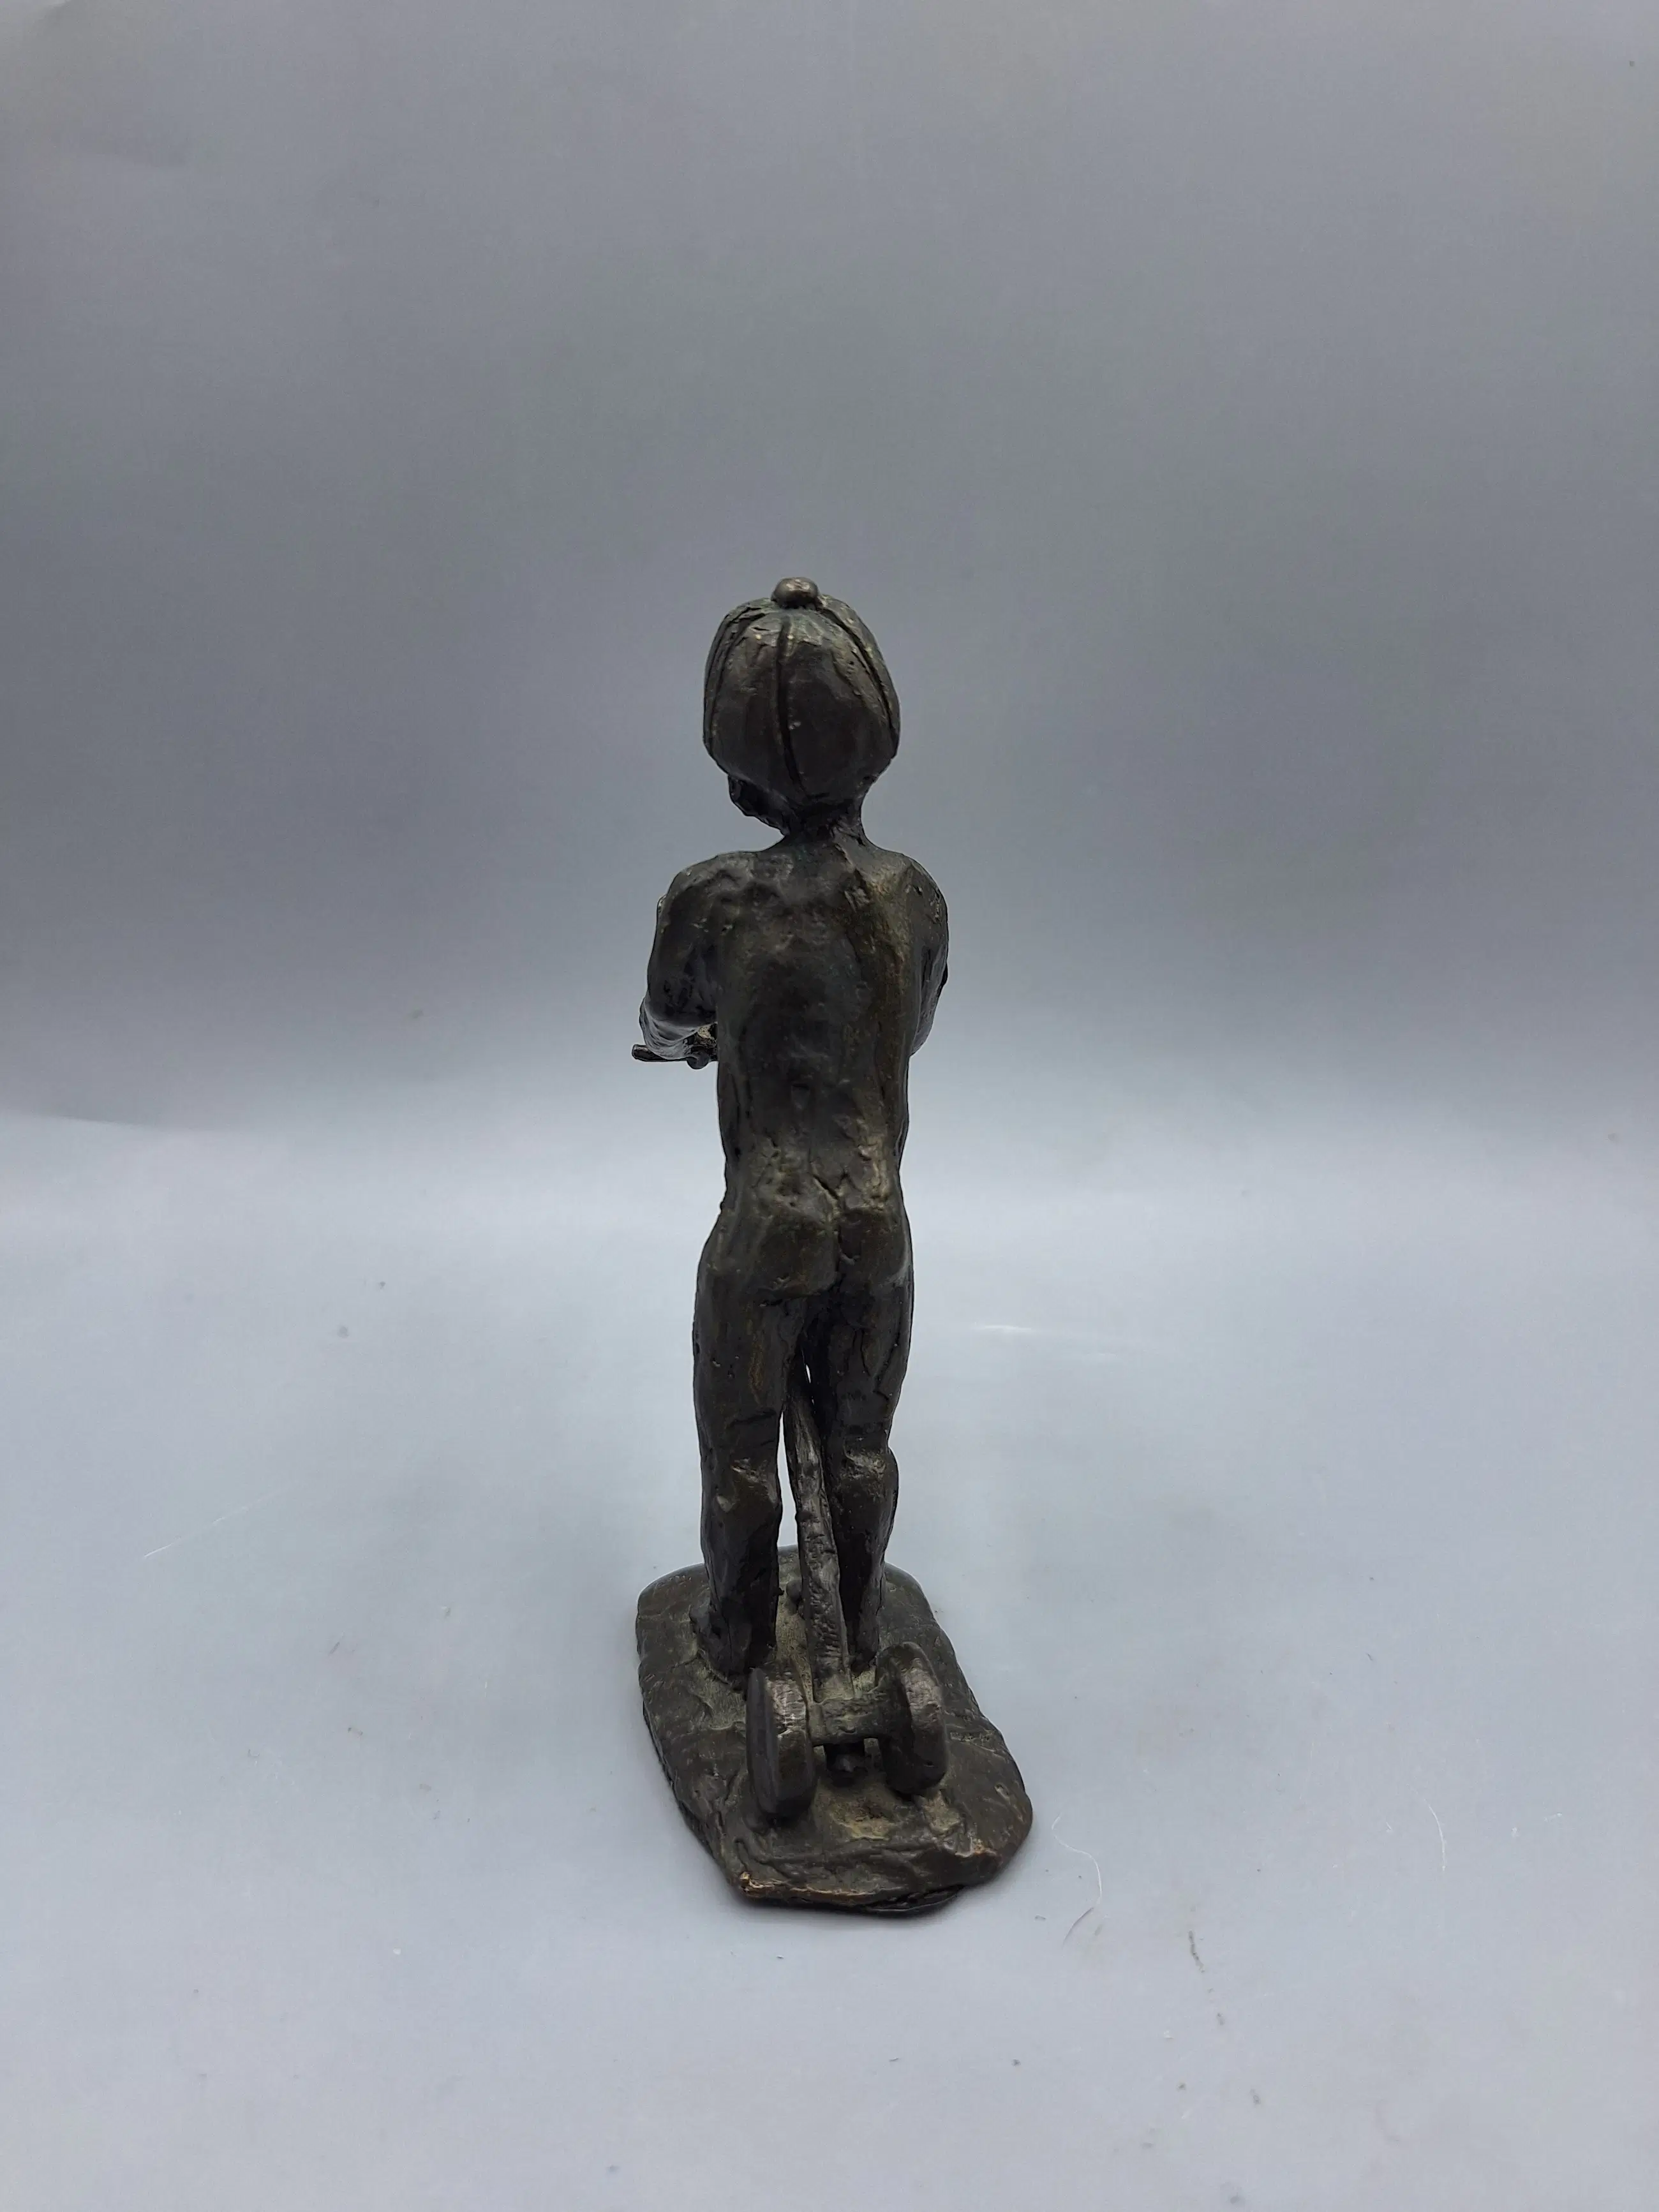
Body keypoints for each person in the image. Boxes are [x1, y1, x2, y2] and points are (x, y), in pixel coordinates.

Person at [636, 578, 948, 1684]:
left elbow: (666, 1018)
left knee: (740, 1453)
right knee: (860, 1446)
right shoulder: (912, 896)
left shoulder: (712, 899)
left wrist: (701, 1039)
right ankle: (860, 1629)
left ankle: (734, 1639)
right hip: (876, 1219)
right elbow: (911, 1025)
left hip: (768, 1223)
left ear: (737, 770)